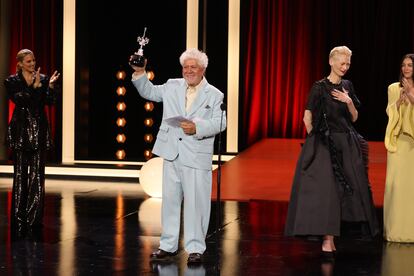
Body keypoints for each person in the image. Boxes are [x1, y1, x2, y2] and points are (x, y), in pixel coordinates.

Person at [130, 48, 226, 264]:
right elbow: (150, 92)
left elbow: (221, 122)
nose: (188, 71)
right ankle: (168, 245)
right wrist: (140, 72)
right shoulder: (173, 85)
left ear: (202, 69)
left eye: (193, 67)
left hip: (196, 155)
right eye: (185, 67)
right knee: (170, 202)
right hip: (172, 152)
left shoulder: (215, 94)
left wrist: (197, 128)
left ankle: (195, 248)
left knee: (196, 204)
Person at [284, 46, 379, 257]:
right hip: (325, 144)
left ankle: (338, 233)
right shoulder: (319, 88)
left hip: (347, 142)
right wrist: (314, 142)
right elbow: (307, 117)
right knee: (327, 192)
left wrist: (349, 101)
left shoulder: (347, 86)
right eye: (342, 63)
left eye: (348, 63)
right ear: (331, 62)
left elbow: (354, 117)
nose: (345, 67)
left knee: (350, 189)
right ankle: (327, 238)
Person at [5, 49, 60, 238]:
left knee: (37, 176)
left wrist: (50, 87)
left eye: (34, 60)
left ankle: (34, 220)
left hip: (39, 131)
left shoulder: (43, 78)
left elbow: (50, 102)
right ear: (20, 63)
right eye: (28, 61)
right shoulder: (11, 81)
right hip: (20, 131)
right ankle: (19, 220)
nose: (32, 64)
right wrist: (34, 87)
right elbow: (20, 101)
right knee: (20, 176)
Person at [384, 53, 414, 243]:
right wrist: (398, 102)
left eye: (410, 65)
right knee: (395, 186)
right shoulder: (394, 88)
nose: (406, 68)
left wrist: (411, 96)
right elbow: (389, 110)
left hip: (412, 144)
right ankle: (394, 232)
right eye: (403, 65)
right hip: (398, 142)